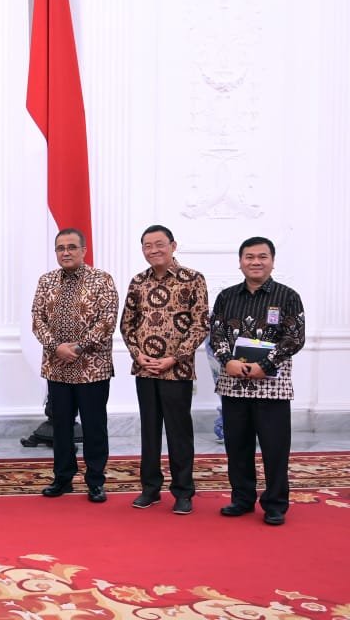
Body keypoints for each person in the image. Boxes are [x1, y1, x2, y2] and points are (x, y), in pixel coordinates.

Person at [210, 237, 305, 526]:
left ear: (272, 261)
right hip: (233, 382)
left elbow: (294, 337)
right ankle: (242, 499)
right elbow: (216, 333)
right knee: (237, 446)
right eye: (249, 257)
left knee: (275, 448)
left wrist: (265, 365)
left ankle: (275, 504)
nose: (255, 262)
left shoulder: (287, 296)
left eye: (262, 256)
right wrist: (228, 361)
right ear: (240, 262)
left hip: (272, 385)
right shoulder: (227, 296)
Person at [120, 224, 209, 515]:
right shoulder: (138, 281)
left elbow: (200, 324)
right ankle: (150, 488)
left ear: (173, 245)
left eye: (160, 244)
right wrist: (138, 354)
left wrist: (176, 357)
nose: (154, 250)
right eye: (147, 245)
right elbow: (127, 324)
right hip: (145, 370)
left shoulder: (192, 279)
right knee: (149, 431)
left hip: (176, 370)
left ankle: (183, 491)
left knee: (178, 432)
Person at [31, 228, 118, 502]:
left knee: (93, 426)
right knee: (61, 426)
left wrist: (78, 347)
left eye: (71, 247)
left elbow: (107, 320)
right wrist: (57, 347)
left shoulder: (102, 280)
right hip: (57, 366)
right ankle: (63, 478)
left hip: (92, 367)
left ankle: (95, 481)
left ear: (84, 250)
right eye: (60, 248)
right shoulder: (46, 281)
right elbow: (37, 319)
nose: (65, 252)